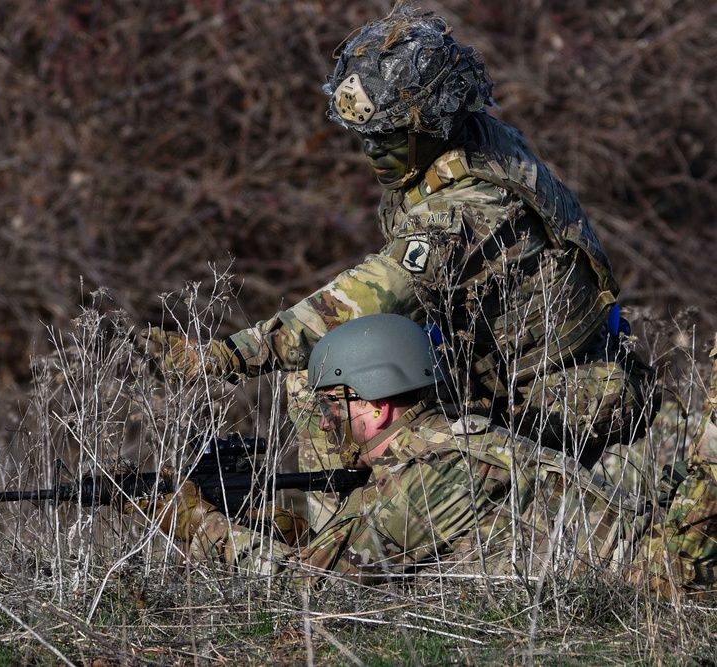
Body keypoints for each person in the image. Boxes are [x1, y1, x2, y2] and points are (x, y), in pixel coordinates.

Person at [144, 7, 657, 528]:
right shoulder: (477, 141)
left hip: (558, 404)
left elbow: (370, 296)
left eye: (387, 137)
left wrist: (231, 355)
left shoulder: (470, 205)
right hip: (521, 383)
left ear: (431, 124)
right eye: (364, 138)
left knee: (328, 382)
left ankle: (345, 559)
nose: (372, 153)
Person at [141, 314, 717, 595]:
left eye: (337, 406)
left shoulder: (438, 472)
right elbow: (348, 548)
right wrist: (260, 522)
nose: (329, 421)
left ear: (378, 403)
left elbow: (317, 590)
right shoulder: (436, 451)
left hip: (668, 580)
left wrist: (198, 524)